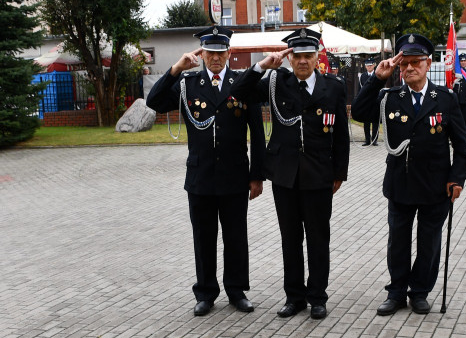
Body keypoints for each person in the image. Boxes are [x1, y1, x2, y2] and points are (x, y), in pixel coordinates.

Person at [145, 26, 265, 316]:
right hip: (200, 177)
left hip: (235, 175)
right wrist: (175, 68)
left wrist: (257, 175)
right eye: (209, 52)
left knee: (236, 237)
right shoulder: (188, 83)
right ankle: (206, 293)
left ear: (229, 53)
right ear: (201, 55)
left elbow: (258, 133)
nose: (215, 58)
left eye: (220, 52)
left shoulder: (242, 82)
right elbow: (155, 102)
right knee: (204, 237)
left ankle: (237, 291)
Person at [231, 27, 350, 320]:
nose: (303, 62)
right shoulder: (275, 82)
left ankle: (317, 296)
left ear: (317, 56)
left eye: (309, 56)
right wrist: (261, 65)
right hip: (284, 176)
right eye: (297, 56)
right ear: (290, 58)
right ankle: (294, 296)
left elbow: (343, 136)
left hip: (319, 175)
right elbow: (238, 91)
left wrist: (340, 172)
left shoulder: (332, 87)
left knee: (318, 239)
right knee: (290, 238)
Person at [352, 34, 466, 315]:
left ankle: (419, 291)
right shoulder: (389, 97)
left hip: (435, 186)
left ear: (428, 63)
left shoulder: (444, 99)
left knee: (429, 242)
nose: (408, 69)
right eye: (403, 64)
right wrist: (378, 78)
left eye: (415, 63)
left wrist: (457, 178)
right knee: (398, 240)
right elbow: (359, 112)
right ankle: (396, 292)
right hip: (400, 183)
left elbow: (462, 147)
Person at [451, 52, 466, 138]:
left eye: (464, 60)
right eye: (461, 61)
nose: (463, 62)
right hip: (457, 100)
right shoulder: (454, 72)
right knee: (456, 120)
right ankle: (457, 136)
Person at [358, 58, 379, 146]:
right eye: (367, 65)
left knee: (375, 121)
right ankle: (367, 140)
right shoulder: (362, 76)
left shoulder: (378, 74)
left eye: (370, 65)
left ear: (374, 65)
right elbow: (360, 89)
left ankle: (374, 140)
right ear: (365, 66)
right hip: (366, 101)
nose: (369, 67)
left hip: (376, 100)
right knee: (366, 121)